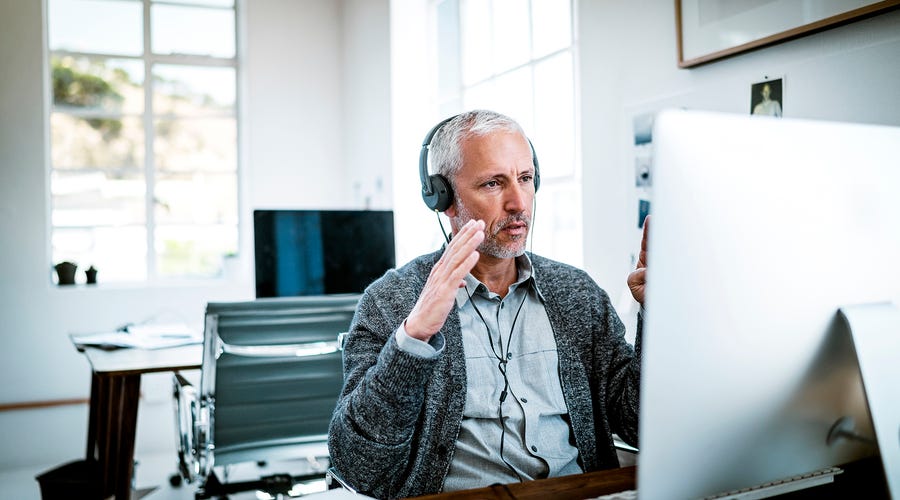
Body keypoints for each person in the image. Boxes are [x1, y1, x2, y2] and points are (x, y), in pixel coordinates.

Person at [328, 110, 648, 498]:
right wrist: (414, 338)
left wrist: (660, 317)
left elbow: (639, 425)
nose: (518, 202)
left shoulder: (577, 292)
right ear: (442, 198)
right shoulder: (392, 300)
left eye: (526, 179)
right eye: (493, 183)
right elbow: (359, 465)